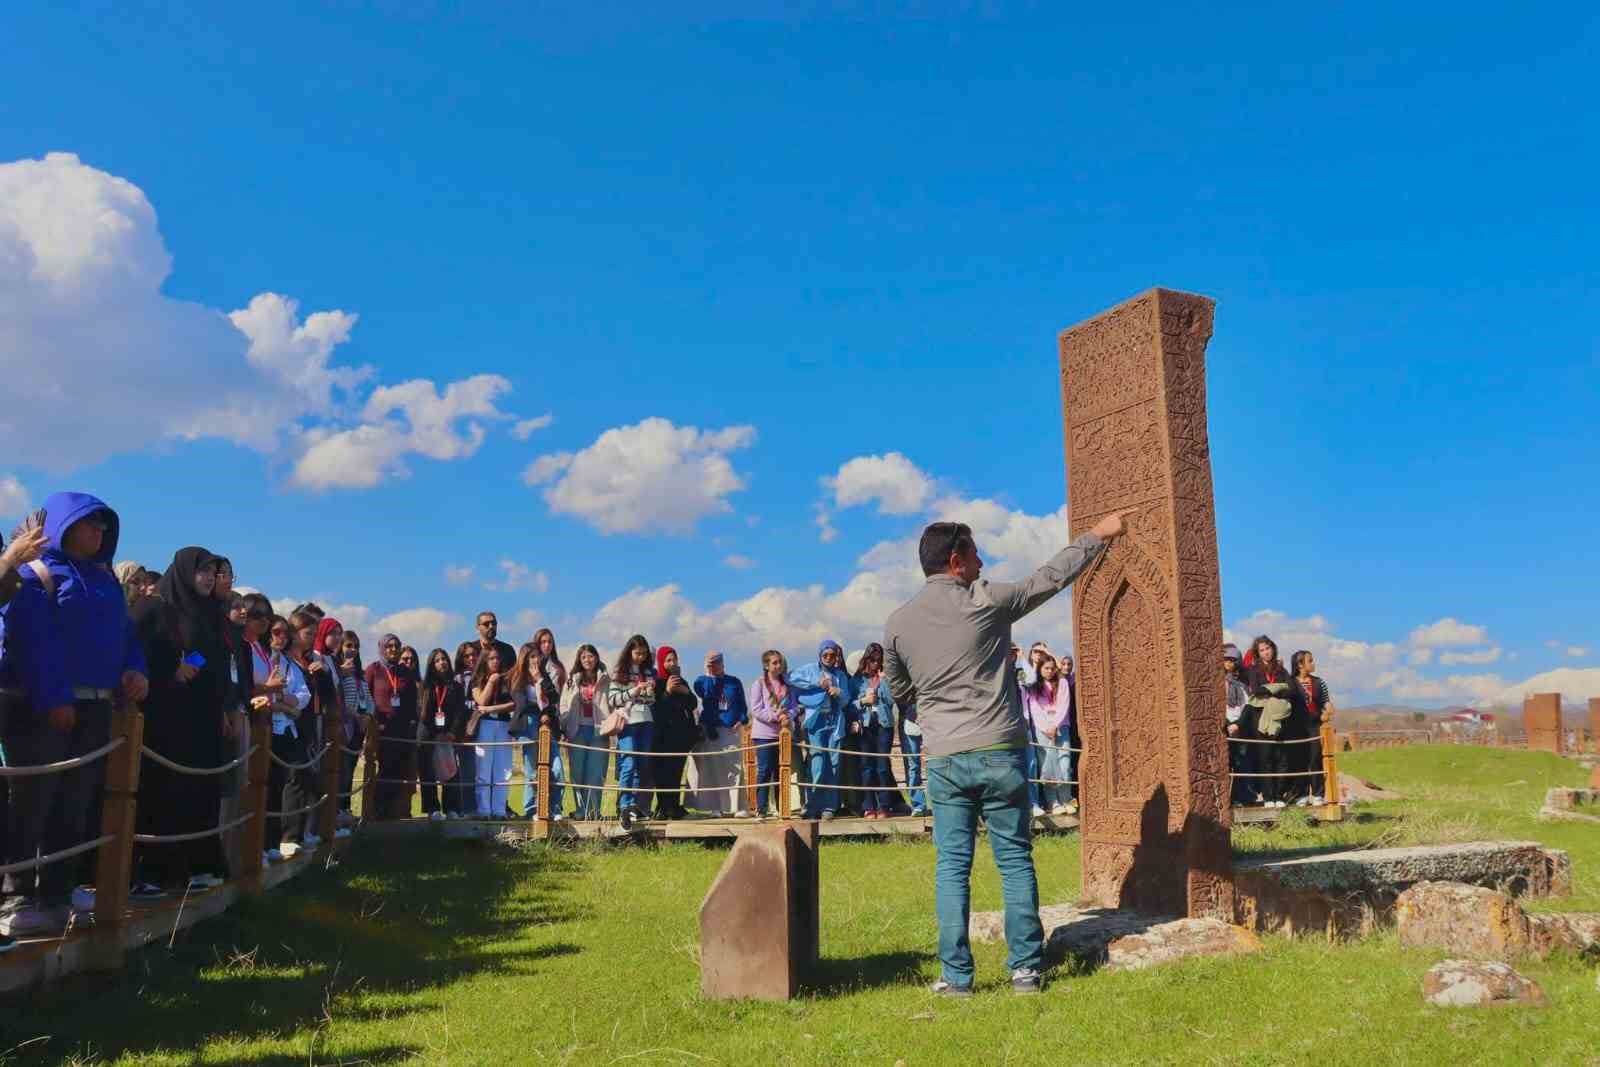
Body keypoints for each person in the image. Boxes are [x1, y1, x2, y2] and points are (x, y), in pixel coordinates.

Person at [883, 511, 1125, 996]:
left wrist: (935, 704)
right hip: (999, 749)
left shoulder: (898, 623)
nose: (982, 562)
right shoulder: (989, 600)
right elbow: (1049, 578)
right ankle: (1025, 971)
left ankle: (956, 978)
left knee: (952, 866)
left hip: (945, 756)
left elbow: (899, 689)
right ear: (956, 561)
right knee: (1014, 859)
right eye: (975, 554)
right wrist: (1097, 535)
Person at [0, 493, 149, 941]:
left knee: (75, 801)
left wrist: (136, 670)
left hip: (97, 705)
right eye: (90, 524)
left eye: (104, 527)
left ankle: (58, 891)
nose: (99, 533)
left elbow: (126, 636)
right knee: (31, 800)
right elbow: (32, 641)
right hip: (44, 707)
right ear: (64, 525)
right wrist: (54, 698)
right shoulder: (37, 574)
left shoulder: (105, 581)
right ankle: (16, 896)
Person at [133, 547, 234, 892]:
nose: (208, 578)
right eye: (202, 570)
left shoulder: (208, 613)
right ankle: (154, 872)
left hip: (201, 719)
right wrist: (169, 670)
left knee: (198, 792)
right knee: (163, 792)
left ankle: (196, 867)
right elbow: (133, 651)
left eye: (213, 572)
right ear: (184, 572)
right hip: (164, 718)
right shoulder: (154, 608)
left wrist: (219, 706)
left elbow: (210, 658)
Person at [263, 615, 313, 858]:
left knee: (293, 779)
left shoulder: (288, 663)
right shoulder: (260, 656)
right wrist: (286, 706)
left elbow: (304, 695)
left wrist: (283, 700)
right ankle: (264, 842)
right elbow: (263, 694)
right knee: (267, 784)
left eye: (285, 633)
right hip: (264, 727)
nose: (282, 637)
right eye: (276, 632)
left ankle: (285, 838)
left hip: (286, 729)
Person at [789, 640, 852, 819]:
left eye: (832, 655)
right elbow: (790, 677)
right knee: (817, 763)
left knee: (834, 763)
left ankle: (829, 807)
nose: (829, 658)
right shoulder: (810, 669)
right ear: (820, 655)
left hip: (835, 722)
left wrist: (839, 693)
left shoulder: (840, 675)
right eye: (826, 654)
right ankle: (812, 805)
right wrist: (816, 682)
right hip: (816, 721)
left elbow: (846, 700)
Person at [509, 642, 565, 820]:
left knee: (557, 768)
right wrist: (542, 711)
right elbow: (521, 704)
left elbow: (554, 697)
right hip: (528, 725)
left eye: (538, 656)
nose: (536, 660)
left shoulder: (543, 675)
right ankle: (531, 809)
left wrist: (540, 679)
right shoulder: (518, 678)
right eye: (532, 656)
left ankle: (555, 808)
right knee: (532, 771)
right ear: (525, 659)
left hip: (547, 726)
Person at [365, 634, 419, 820]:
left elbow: (412, 701)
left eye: (396, 645)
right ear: (381, 647)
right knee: (385, 768)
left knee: (399, 770)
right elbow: (365, 696)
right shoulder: (374, 669)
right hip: (381, 729)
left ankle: (393, 811)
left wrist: (412, 723)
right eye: (389, 646)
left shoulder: (405, 672)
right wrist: (372, 721)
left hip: (402, 730)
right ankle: (377, 808)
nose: (393, 649)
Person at [690, 651, 749, 817]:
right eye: (711, 663)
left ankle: (739, 806)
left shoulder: (734, 682)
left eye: (716, 662)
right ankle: (715, 807)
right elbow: (707, 693)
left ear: (723, 663)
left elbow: (742, 705)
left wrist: (741, 720)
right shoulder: (702, 681)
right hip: (711, 729)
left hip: (731, 729)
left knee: (734, 768)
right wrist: (710, 675)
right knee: (713, 770)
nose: (714, 665)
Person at [606, 635, 656, 830]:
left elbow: (650, 701)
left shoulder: (648, 671)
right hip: (628, 722)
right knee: (628, 762)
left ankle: (635, 804)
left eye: (644, 654)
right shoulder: (620, 671)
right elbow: (613, 699)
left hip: (646, 720)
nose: (640, 657)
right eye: (637, 653)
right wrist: (633, 692)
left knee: (642, 763)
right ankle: (624, 805)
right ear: (629, 652)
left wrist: (648, 692)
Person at [559, 643, 608, 820]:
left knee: (595, 772)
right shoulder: (572, 679)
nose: (588, 660)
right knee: (577, 771)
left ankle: (593, 811)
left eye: (591, 656)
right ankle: (581, 810)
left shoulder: (605, 679)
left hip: (598, 730)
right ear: (579, 660)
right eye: (584, 657)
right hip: (577, 729)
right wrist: (565, 724)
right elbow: (563, 703)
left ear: (596, 658)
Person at [1244, 635, 1293, 808]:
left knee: (1281, 758)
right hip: (1261, 718)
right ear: (1258, 653)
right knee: (1265, 758)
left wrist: (1270, 690)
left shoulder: (1281, 670)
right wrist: (1278, 688)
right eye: (1262, 650)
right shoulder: (1254, 670)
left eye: (1268, 648)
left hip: (1280, 718)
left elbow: (1290, 690)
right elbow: (1256, 691)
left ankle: (1279, 795)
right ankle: (1268, 796)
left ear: (1273, 648)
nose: (1266, 652)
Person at [1020, 654, 1072, 817]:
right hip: (1042, 729)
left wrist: (1055, 725)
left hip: (1061, 726)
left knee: (1064, 761)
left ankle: (1065, 799)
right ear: (1040, 669)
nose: (1049, 671)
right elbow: (1034, 708)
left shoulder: (1062, 683)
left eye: (1052, 668)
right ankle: (1052, 801)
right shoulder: (1034, 686)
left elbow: (1064, 704)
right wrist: (1045, 727)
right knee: (1047, 765)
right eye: (1046, 668)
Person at [651, 645, 698, 820]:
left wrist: (686, 692)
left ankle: (674, 806)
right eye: (668, 660)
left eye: (674, 660)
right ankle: (663, 807)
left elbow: (692, 704)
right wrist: (668, 692)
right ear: (661, 662)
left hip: (681, 735)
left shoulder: (682, 681)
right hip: (663, 735)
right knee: (663, 772)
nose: (672, 663)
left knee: (677, 771)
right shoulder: (657, 682)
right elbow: (657, 707)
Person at [419, 648, 466, 821]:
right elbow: (422, 713)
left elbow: (460, 712)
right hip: (428, 735)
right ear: (432, 664)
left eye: (444, 659)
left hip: (449, 735)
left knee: (451, 771)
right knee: (428, 772)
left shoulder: (456, 687)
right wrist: (435, 733)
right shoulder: (425, 686)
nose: (442, 662)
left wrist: (452, 732)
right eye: (437, 660)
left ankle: (451, 808)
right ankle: (432, 809)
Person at [851, 643, 897, 819]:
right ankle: (868, 806)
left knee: (882, 767)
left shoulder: (885, 678)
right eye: (872, 660)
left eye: (878, 660)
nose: (875, 664)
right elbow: (848, 705)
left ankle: (884, 806)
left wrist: (885, 682)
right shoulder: (856, 681)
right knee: (866, 767)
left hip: (884, 725)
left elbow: (891, 701)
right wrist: (863, 701)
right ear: (866, 660)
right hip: (865, 725)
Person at [748, 650, 796, 817]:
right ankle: (761, 809)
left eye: (780, 662)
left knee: (780, 771)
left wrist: (788, 716)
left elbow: (794, 706)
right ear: (766, 665)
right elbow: (756, 709)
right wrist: (776, 717)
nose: (778, 665)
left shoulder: (787, 684)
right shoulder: (759, 684)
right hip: (764, 734)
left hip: (783, 734)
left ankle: (780, 808)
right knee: (764, 770)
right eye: (775, 662)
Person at [470, 645, 516, 818]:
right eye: (491, 659)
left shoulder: (507, 679)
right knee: (483, 769)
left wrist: (491, 709)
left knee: (503, 769)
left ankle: (499, 810)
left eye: (497, 658)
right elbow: (481, 700)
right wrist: (491, 681)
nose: (495, 661)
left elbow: (514, 704)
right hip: (485, 725)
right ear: (484, 661)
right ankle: (484, 810)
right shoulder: (477, 680)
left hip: (503, 724)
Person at [334, 630, 373, 823]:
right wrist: (356, 715)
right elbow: (338, 698)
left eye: (356, 646)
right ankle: (336, 810)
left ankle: (345, 808)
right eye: (349, 645)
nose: (353, 649)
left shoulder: (360, 673)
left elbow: (369, 699)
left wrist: (368, 715)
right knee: (341, 769)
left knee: (350, 769)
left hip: (359, 727)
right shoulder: (337, 670)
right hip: (345, 724)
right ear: (341, 647)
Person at [1290, 650, 1333, 805]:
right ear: (1300, 664)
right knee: (1299, 759)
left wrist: (1327, 712)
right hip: (1296, 727)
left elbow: (1326, 702)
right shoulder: (1290, 682)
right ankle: (1301, 795)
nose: (1313, 663)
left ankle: (1317, 794)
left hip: (1314, 725)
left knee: (1315, 758)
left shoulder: (1319, 682)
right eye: (1310, 660)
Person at [1222, 643, 1254, 807]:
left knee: (1241, 762)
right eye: (1226, 659)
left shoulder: (1241, 685)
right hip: (1223, 726)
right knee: (1225, 763)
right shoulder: (1217, 684)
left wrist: (1238, 725)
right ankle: (1223, 799)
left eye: (1232, 660)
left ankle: (1241, 797)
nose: (1229, 663)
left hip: (1238, 727)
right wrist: (1226, 723)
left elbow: (1247, 707)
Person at [450, 642, 480, 818]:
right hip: (459, 730)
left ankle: (474, 808)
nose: (471, 658)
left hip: (479, 728)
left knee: (477, 772)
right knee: (460, 771)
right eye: (467, 656)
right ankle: (462, 808)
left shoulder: (482, 676)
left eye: (474, 655)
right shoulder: (456, 679)